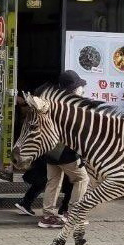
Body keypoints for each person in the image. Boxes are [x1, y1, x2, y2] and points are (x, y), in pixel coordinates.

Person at [38, 70, 90, 229]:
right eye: (79, 87)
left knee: (53, 182)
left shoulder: (53, 102)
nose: (81, 89)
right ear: (73, 89)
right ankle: (73, 214)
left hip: (50, 149)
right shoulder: (72, 106)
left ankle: (47, 216)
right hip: (66, 152)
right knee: (82, 179)